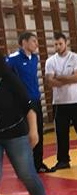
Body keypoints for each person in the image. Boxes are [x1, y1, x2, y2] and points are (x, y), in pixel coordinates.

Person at [0, 53, 53, 195]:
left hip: (15, 132)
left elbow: (28, 106)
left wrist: (33, 130)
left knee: (26, 173)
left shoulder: (8, 78)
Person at [44, 32, 77, 171]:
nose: (58, 46)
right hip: (59, 102)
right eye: (55, 44)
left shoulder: (76, 58)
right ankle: (63, 160)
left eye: (60, 43)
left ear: (66, 43)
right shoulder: (50, 61)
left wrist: (59, 78)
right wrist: (68, 78)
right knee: (61, 133)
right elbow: (49, 81)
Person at [6, 31, 51, 173]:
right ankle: (24, 166)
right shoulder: (13, 59)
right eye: (33, 41)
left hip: (36, 100)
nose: (36, 44)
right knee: (25, 135)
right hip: (21, 103)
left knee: (38, 132)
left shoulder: (34, 58)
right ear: (24, 42)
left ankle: (38, 163)